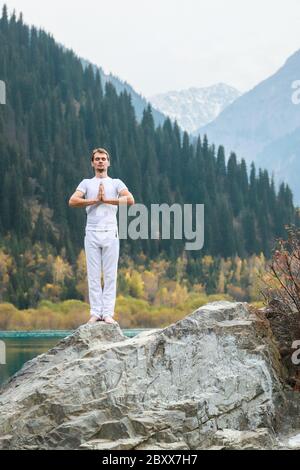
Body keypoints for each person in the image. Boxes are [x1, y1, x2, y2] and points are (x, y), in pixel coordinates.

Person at [68, 148, 135, 324]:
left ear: (108, 162)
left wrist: (107, 200)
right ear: (92, 163)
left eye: (103, 159)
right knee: (93, 275)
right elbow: (72, 201)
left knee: (111, 274)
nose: (100, 161)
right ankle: (96, 313)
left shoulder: (116, 183)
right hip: (91, 232)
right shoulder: (86, 183)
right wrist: (94, 201)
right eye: (97, 159)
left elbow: (130, 200)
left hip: (110, 232)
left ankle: (108, 314)